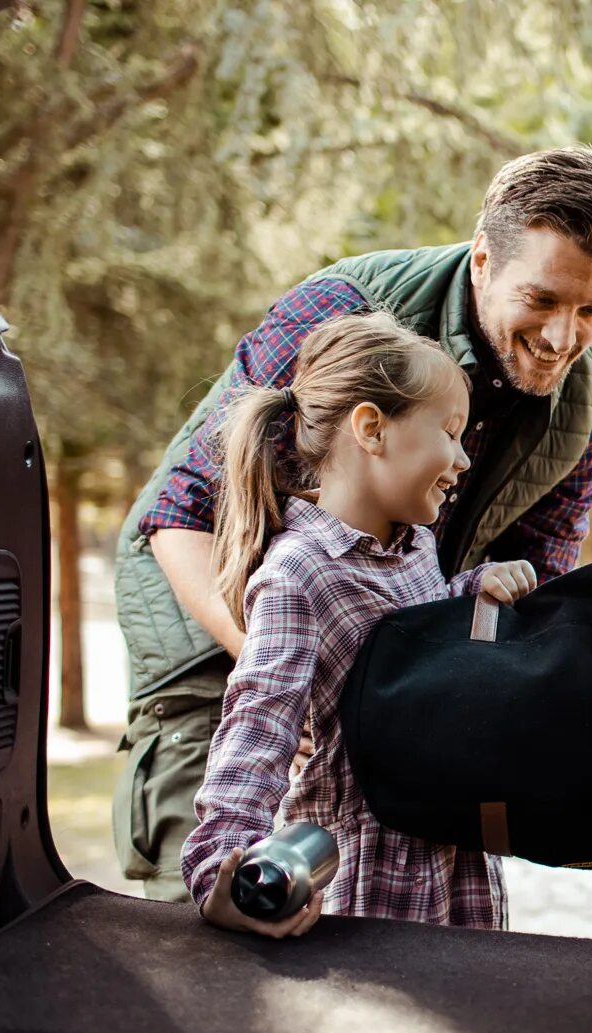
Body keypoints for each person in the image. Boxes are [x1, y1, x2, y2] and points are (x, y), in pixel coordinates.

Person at [113, 147, 592, 901]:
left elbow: (532, 596)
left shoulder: (589, 402)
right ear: (484, 260)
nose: (564, 336)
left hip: (384, 664)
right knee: (215, 920)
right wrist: (298, 682)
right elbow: (179, 513)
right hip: (218, 632)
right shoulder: (341, 307)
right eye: (543, 300)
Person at [180, 313, 539, 936]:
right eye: (451, 433)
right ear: (372, 428)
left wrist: (468, 594)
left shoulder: (415, 548)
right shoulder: (300, 573)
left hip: (455, 869)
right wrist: (222, 871)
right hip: (369, 882)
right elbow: (257, 729)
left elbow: (410, 646)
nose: (461, 459)